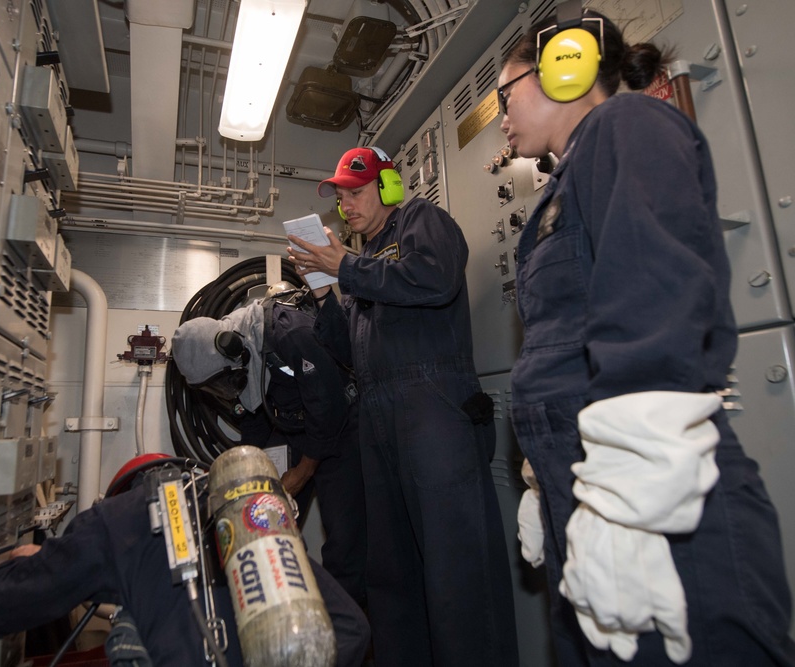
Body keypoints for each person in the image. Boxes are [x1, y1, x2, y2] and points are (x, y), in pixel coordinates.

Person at [496, 2, 795, 665]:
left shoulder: (626, 125)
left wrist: (625, 507)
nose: (501, 115)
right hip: (595, 487)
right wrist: (543, 479)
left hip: (658, 507)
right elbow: (569, 338)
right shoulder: (567, 177)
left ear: (562, 72)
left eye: (505, 94)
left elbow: (653, 297)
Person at [286, 146, 519, 666]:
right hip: (378, 413)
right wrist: (326, 292)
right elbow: (349, 350)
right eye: (341, 197)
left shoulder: (422, 221)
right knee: (391, 574)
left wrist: (346, 266)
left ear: (389, 187)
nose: (347, 205)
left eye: (358, 191)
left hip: (432, 408)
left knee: (456, 567)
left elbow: (435, 280)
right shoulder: (363, 264)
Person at [0, 455, 371, 667]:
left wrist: (40, 559)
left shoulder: (113, 521)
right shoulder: (242, 519)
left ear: (121, 491)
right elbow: (352, 629)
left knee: (127, 624)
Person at [171, 286, 367, 609]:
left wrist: (302, 473)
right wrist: (247, 480)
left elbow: (328, 407)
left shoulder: (287, 334)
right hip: (296, 421)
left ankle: (345, 630)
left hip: (339, 422)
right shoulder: (235, 356)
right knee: (265, 515)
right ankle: (276, 602)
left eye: (222, 381)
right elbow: (256, 417)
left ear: (231, 349)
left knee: (345, 542)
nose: (225, 391)